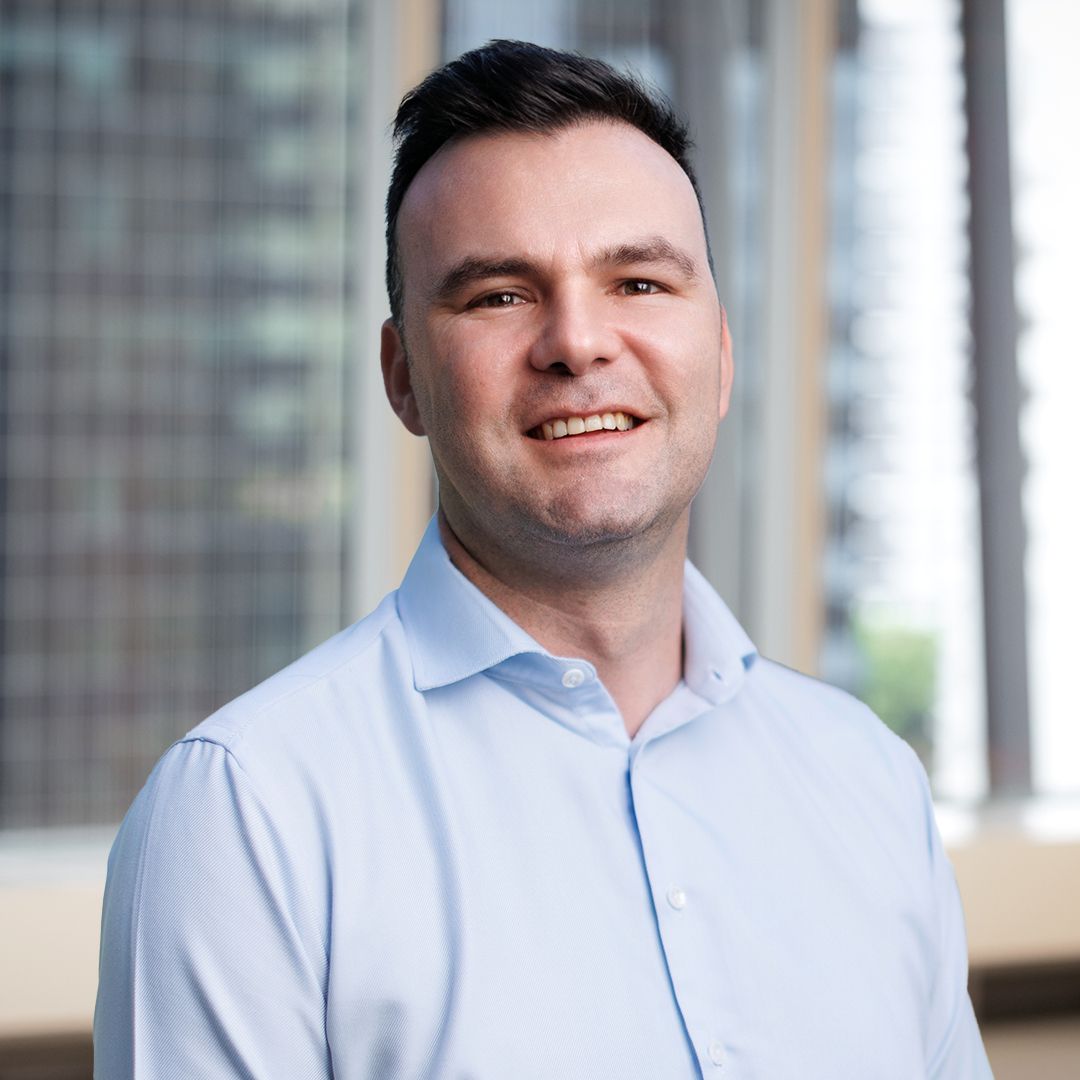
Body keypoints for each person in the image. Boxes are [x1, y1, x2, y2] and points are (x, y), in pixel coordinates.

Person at [94, 40, 992, 1079]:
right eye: (499, 296)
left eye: (640, 282)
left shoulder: (867, 781)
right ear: (403, 379)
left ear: (723, 357)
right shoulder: (247, 818)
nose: (578, 342)